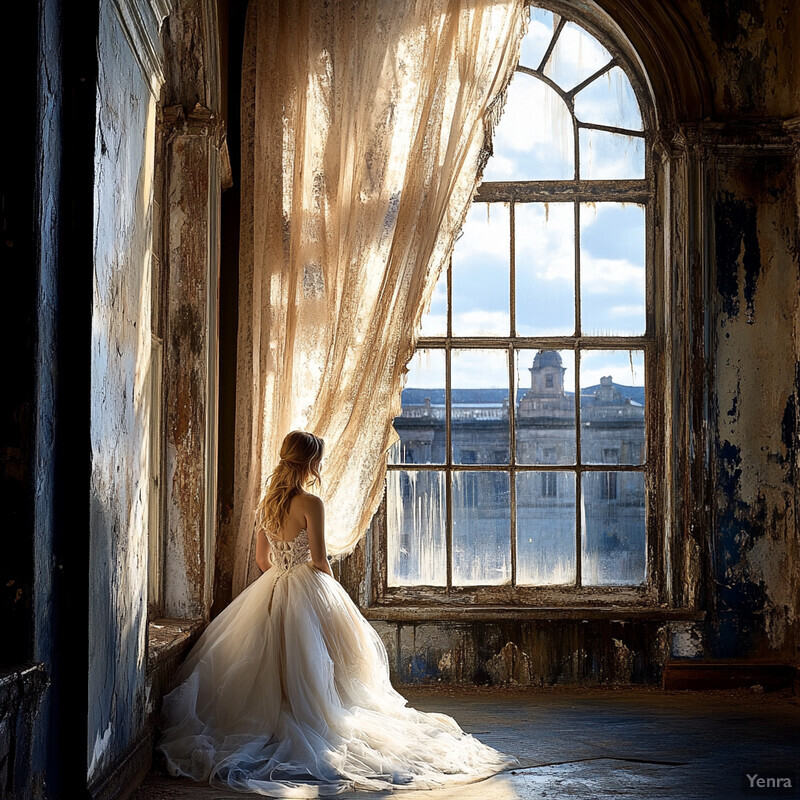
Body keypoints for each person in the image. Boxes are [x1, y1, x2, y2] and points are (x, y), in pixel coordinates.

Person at [157, 430, 516, 796]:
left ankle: (277, 718)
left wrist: (282, 582)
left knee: (268, 663)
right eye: (319, 460)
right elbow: (318, 559)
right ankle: (313, 716)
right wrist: (330, 596)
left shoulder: (265, 503)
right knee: (323, 664)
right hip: (306, 585)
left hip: (274, 586)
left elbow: (263, 561)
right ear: (311, 463)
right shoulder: (310, 502)